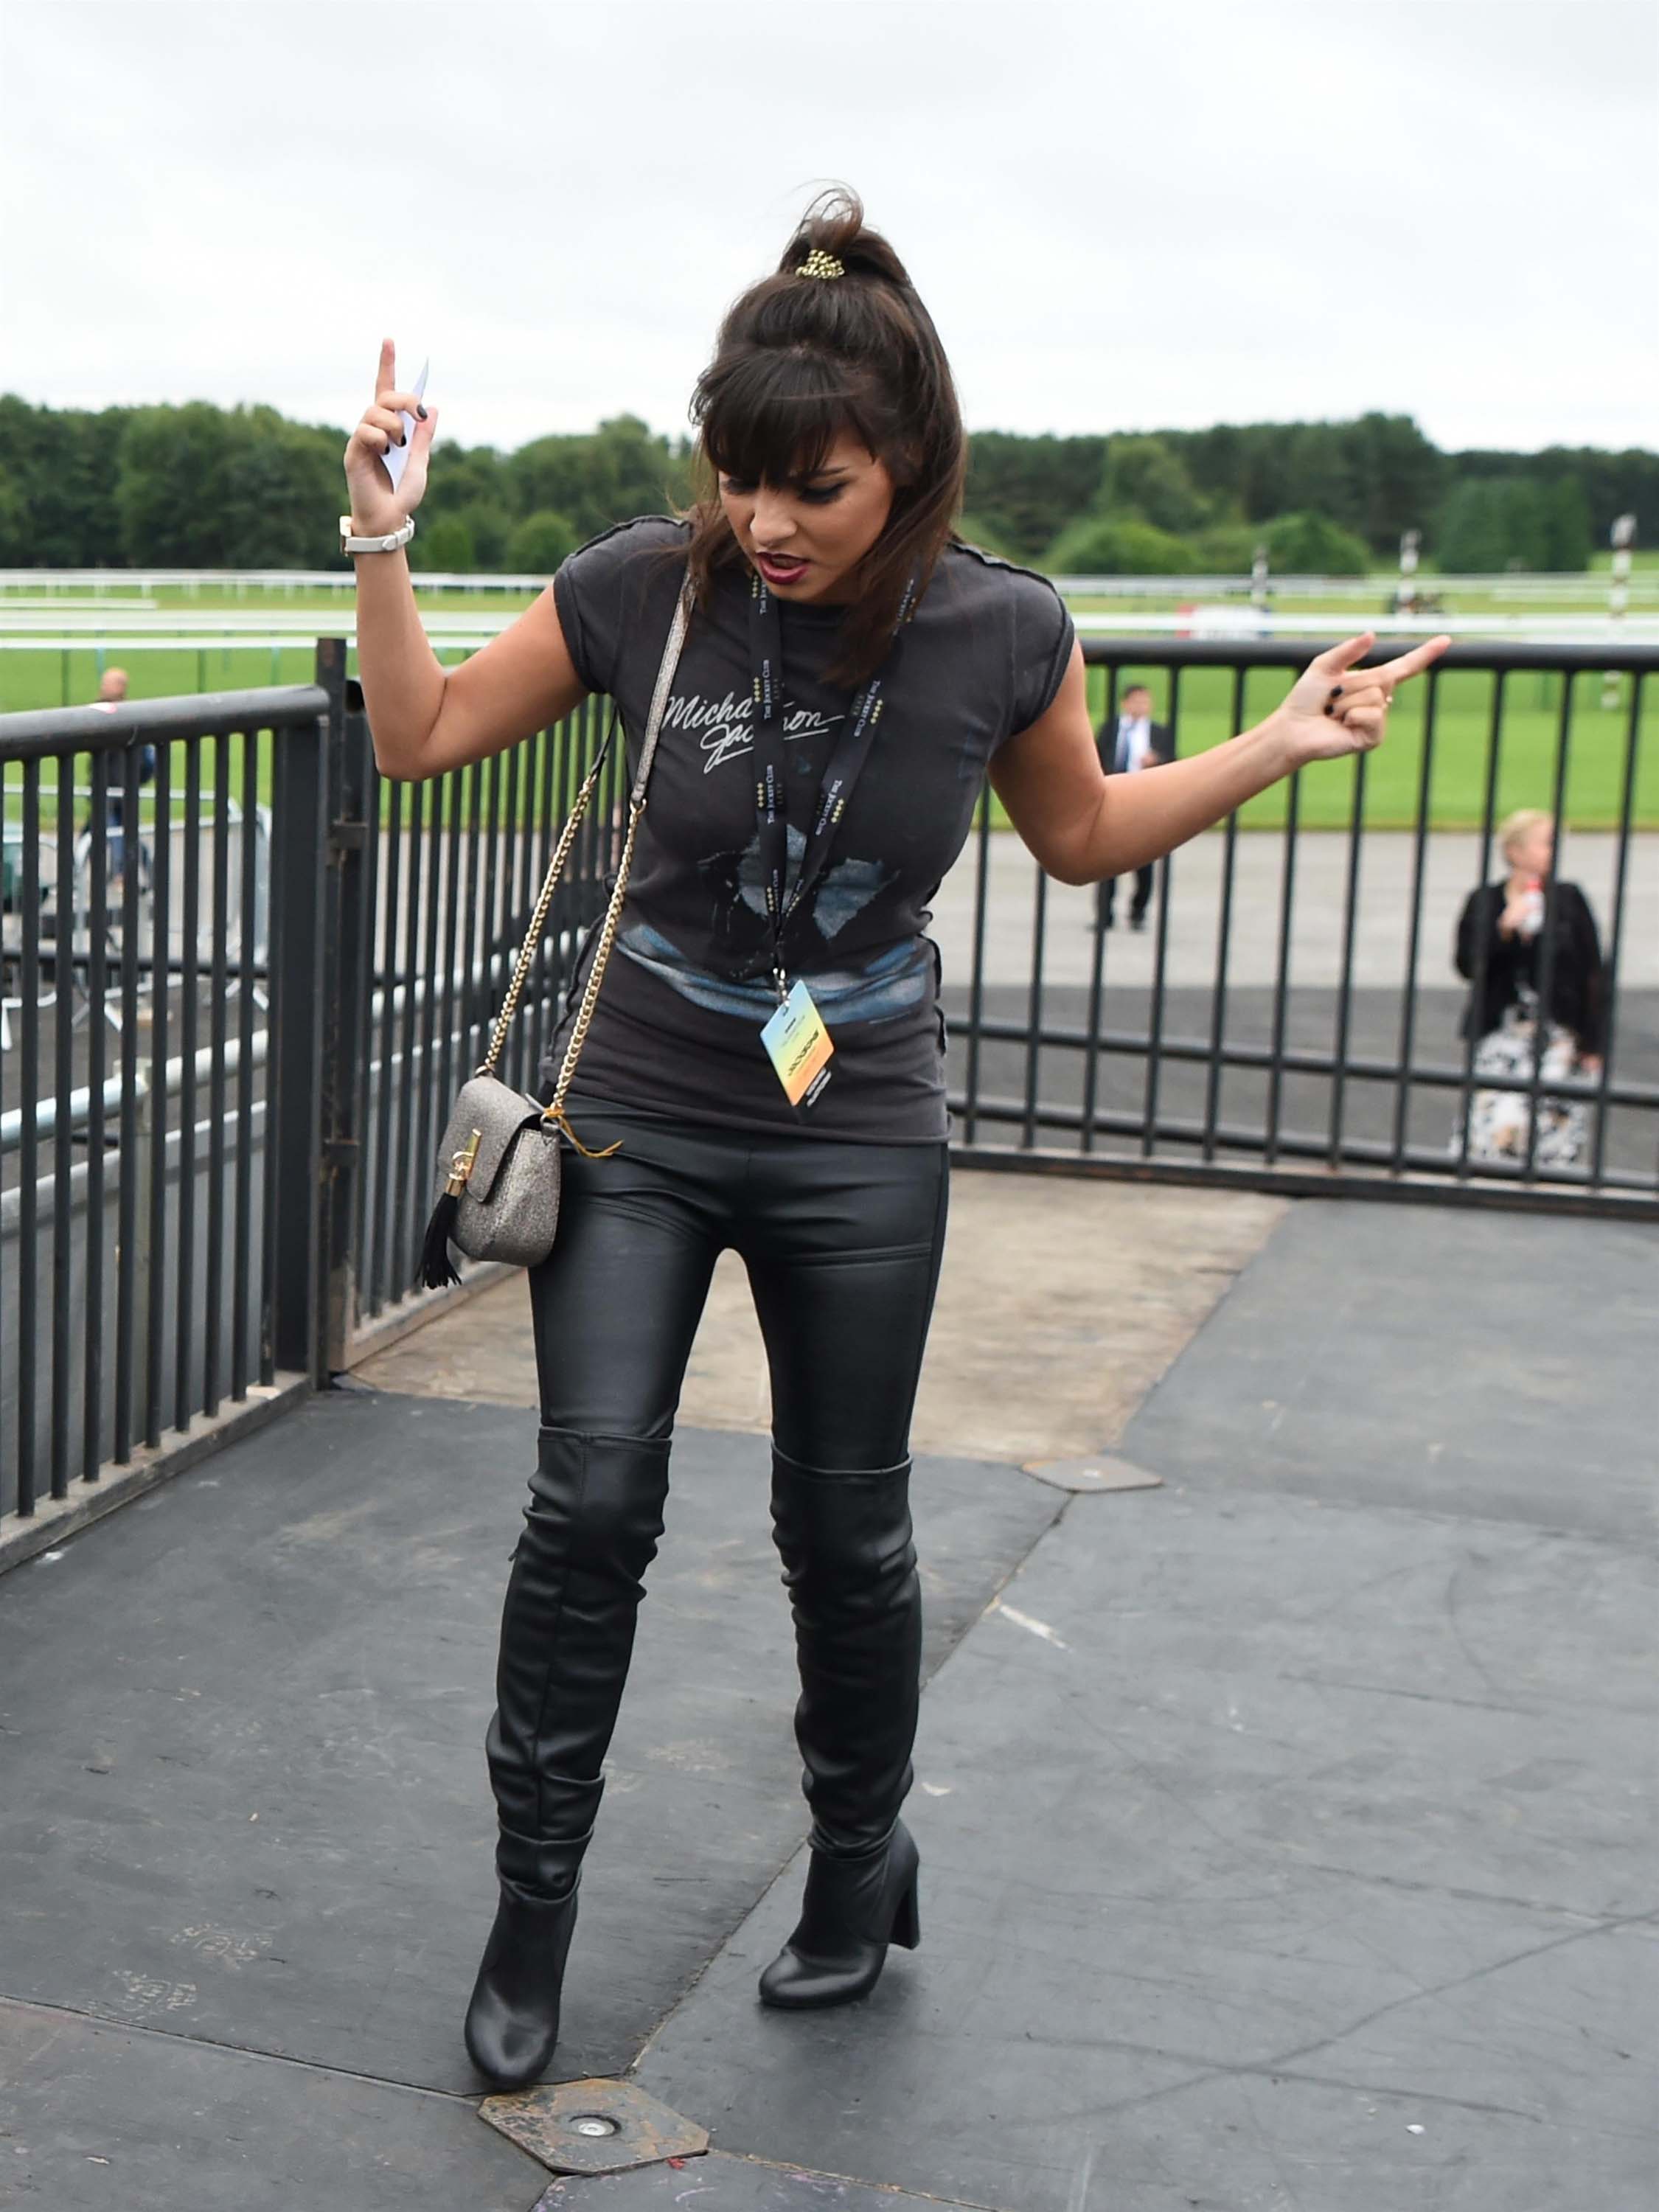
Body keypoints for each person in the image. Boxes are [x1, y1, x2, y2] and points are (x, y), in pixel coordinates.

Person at [341, 190, 1450, 2090]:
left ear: (910, 471)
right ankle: (535, 1904)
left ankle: (860, 1863)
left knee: (841, 1524)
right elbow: (419, 734)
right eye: (740, 471)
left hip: (855, 1124)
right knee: (589, 1503)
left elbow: (1082, 836)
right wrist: (383, 537)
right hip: (638, 1113)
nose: (765, 519)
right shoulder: (641, 589)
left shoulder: (1004, 628)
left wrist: (1274, 744)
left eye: (816, 486)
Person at [1453, 810, 1605, 1166]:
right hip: (1502, 1034)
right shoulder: (1486, 901)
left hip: (1559, 1035)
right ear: (1515, 851)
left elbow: (1593, 973)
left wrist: (1593, 1041)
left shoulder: (1569, 900)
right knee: (1496, 1124)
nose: (1553, 851)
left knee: (1553, 1129)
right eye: (1547, 843)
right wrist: (1502, 931)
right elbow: (1466, 964)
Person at [1093, 681, 1172, 930]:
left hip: (1145, 802)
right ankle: (1104, 915)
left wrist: (1156, 760)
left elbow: (1175, 763)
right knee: (1106, 863)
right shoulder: (1111, 728)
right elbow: (1094, 757)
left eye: (1145, 701)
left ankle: (1138, 912)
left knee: (1144, 863)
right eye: (1136, 700)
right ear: (1125, 703)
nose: (1141, 706)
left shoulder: (1159, 732)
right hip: (1111, 798)